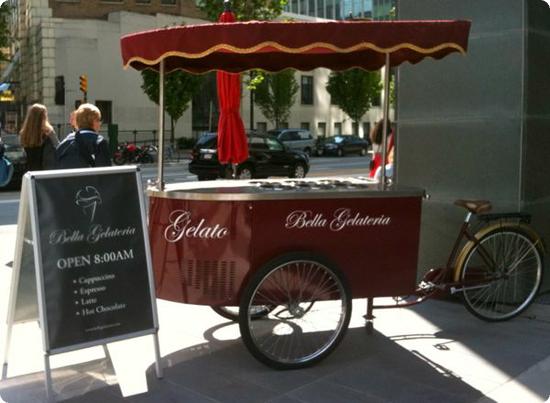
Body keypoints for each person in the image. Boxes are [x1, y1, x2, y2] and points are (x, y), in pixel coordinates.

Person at [56, 103, 111, 168]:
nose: (100, 124)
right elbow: (105, 172)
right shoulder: (99, 142)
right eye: (99, 120)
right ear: (93, 121)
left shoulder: (65, 142)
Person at [19, 104, 59, 170]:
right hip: (45, 172)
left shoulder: (24, 134)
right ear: (43, 117)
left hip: (30, 173)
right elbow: (58, 147)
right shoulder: (48, 132)